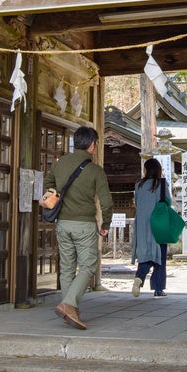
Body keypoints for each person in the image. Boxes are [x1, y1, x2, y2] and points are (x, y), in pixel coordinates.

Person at [44, 125, 112, 330]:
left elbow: (48, 181)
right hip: (84, 225)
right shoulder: (94, 170)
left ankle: (69, 309)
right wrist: (105, 223)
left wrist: (55, 193)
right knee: (89, 266)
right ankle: (69, 304)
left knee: (66, 268)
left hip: (62, 224)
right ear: (92, 145)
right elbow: (106, 201)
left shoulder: (61, 163)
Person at [131, 157, 169, 298]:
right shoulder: (162, 184)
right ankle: (158, 289)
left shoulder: (139, 184)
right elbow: (168, 201)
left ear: (146, 170)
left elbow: (137, 202)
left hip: (141, 223)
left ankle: (139, 277)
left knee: (145, 253)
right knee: (159, 255)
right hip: (158, 222)